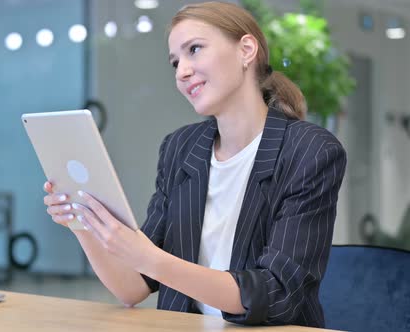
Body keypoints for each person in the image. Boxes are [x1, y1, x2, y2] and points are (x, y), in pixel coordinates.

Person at [43, 1, 346, 328]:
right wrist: (83, 220)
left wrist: (150, 258)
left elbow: (276, 295)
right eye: (175, 62)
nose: (182, 71)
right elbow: (132, 287)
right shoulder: (180, 148)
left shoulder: (310, 150)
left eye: (195, 49)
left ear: (246, 50)